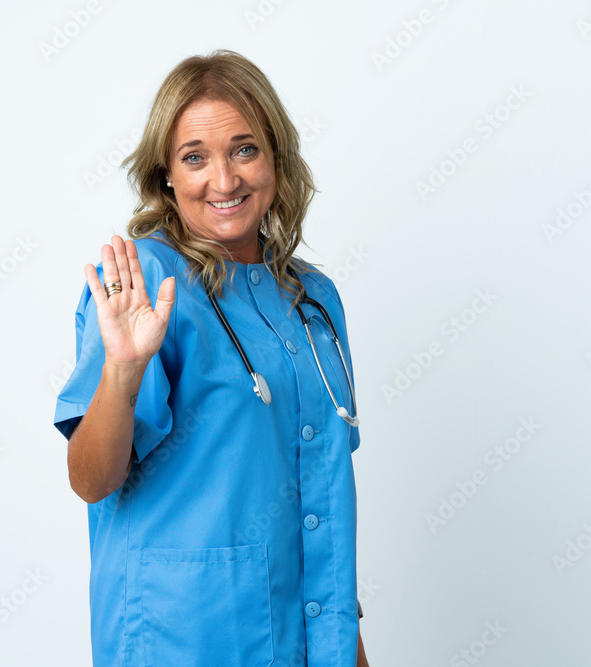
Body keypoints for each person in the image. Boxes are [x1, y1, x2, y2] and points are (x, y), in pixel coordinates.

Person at [54, 49, 369, 666]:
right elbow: (91, 480)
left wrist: (350, 648)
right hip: (182, 642)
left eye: (245, 150)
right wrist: (122, 373)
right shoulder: (148, 282)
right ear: (166, 175)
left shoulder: (313, 300)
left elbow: (321, 508)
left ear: (275, 158)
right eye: (194, 157)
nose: (224, 181)